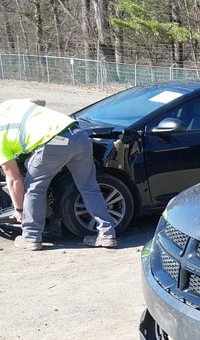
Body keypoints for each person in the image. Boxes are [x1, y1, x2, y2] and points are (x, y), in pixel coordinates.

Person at [0, 98, 117, 250]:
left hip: (53, 142)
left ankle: (31, 237)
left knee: (34, 188)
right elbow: (38, 101)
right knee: (89, 187)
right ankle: (107, 235)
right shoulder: (9, 105)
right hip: (79, 135)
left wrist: (19, 210)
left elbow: (14, 180)